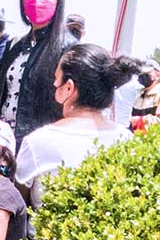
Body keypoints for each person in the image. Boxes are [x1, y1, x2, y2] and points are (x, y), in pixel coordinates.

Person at [16, 44, 139, 209]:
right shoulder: (127, 140)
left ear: (69, 88)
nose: (53, 84)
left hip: (43, 234)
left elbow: (17, 206)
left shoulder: (38, 142)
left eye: (56, 79)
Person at [0, 0, 74, 149]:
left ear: (58, 1)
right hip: (2, 147)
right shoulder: (14, 45)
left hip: (40, 150)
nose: (36, 1)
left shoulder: (68, 48)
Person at [130, 59, 160, 132]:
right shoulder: (137, 96)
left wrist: (139, 121)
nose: (142, 75)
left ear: (158, 75)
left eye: (147, 72)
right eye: (140, 72)